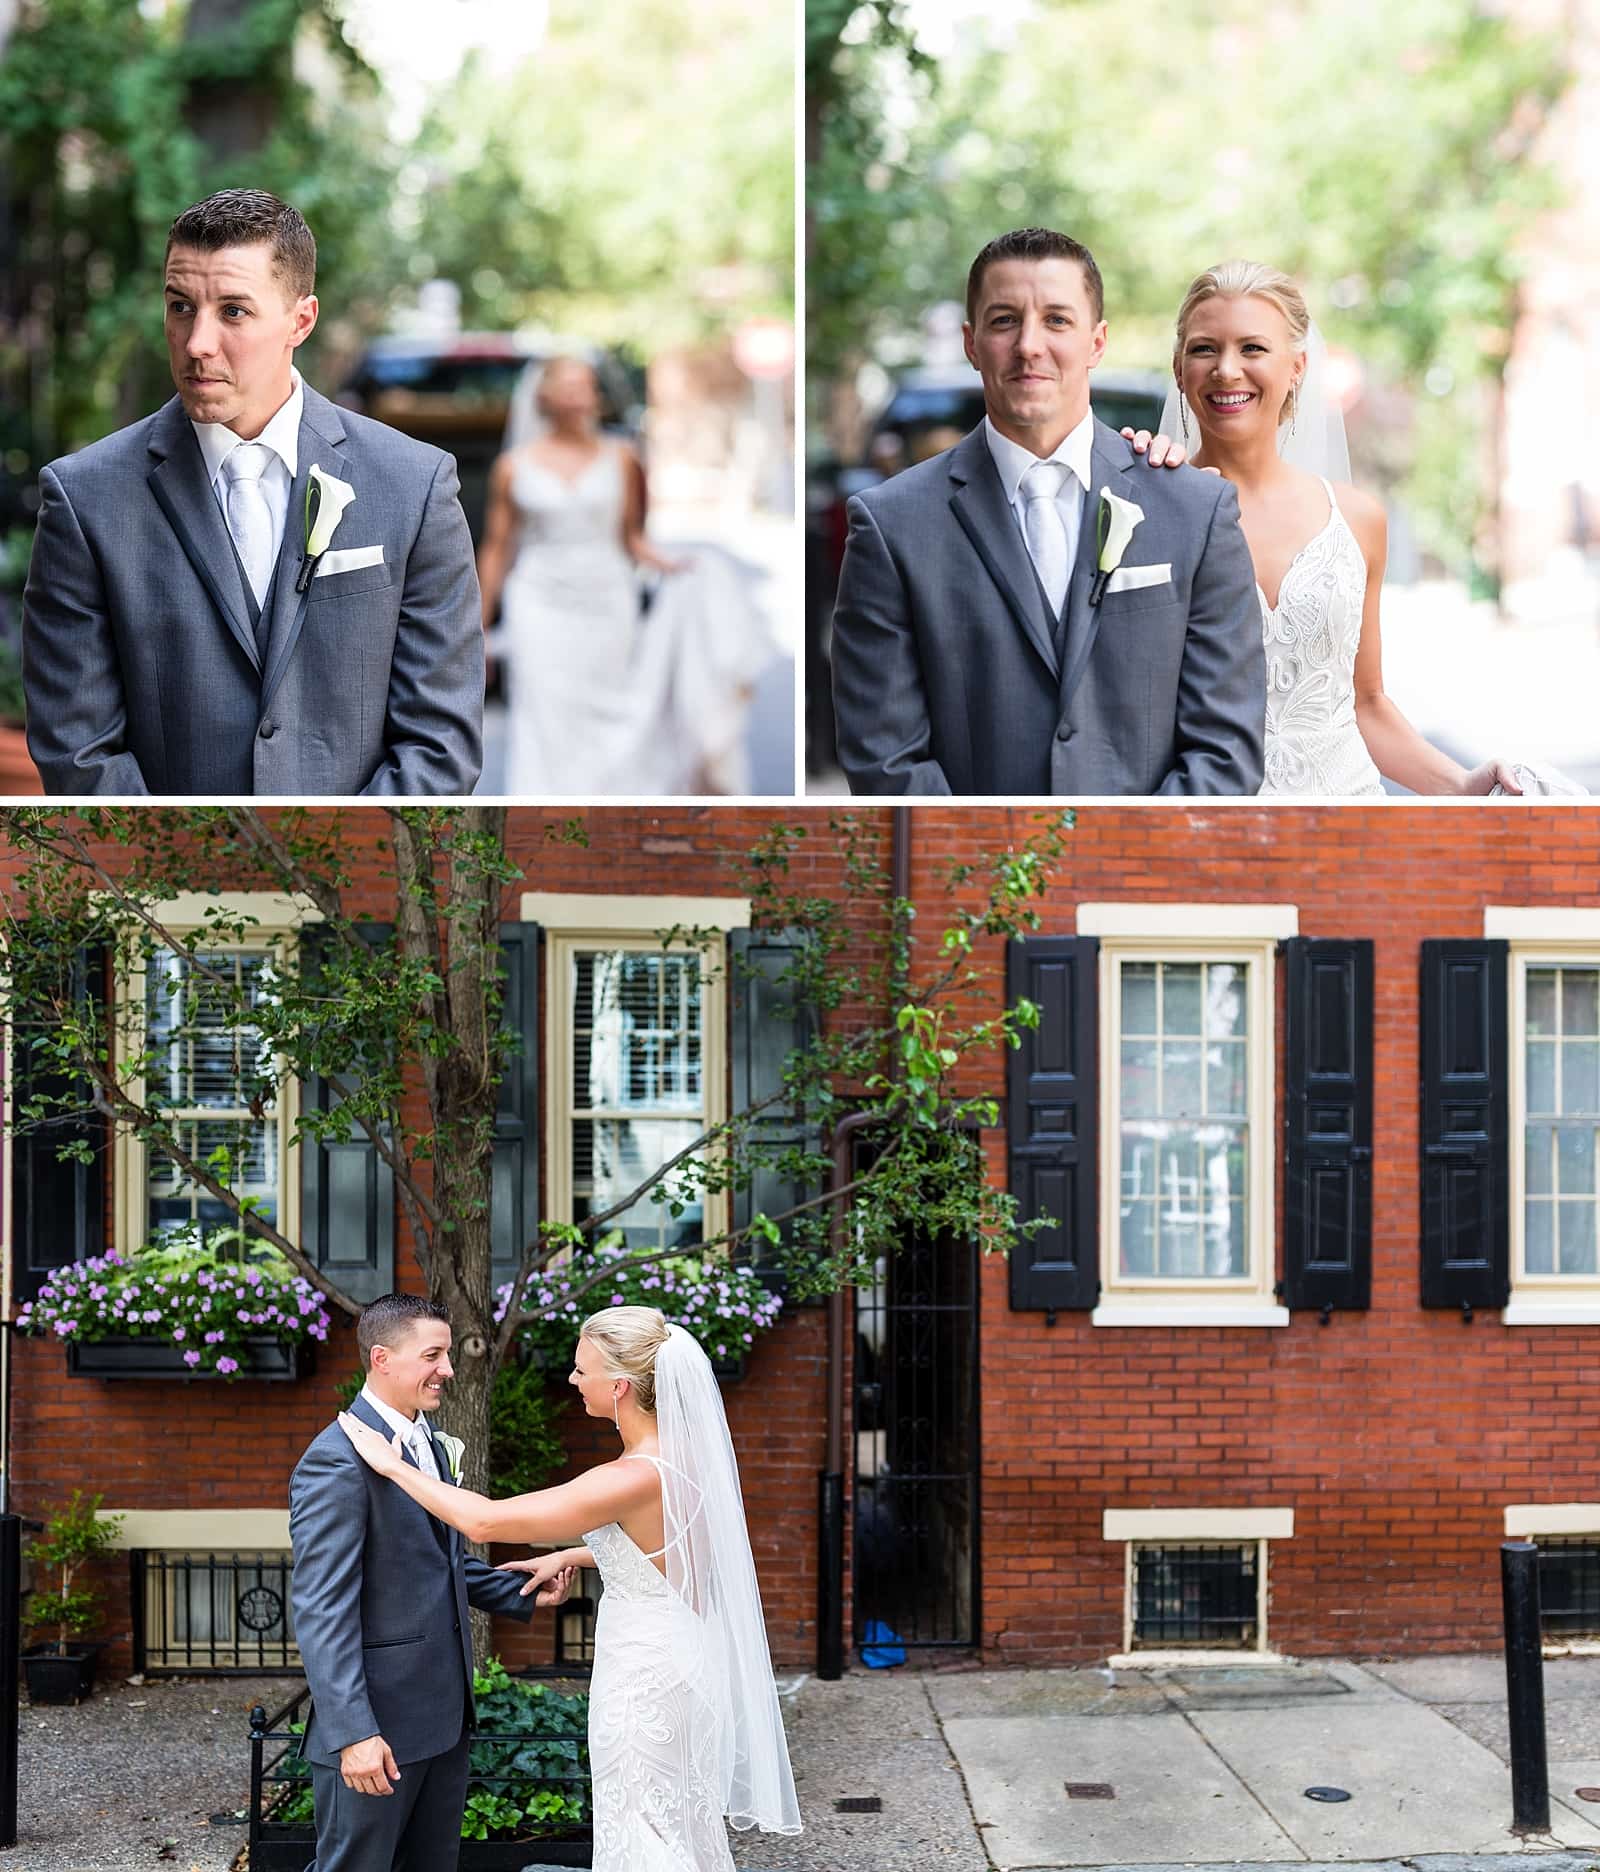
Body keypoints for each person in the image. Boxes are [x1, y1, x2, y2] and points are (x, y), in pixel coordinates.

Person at [22, 189, 484, 797]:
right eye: (181, 306)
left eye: (233, 311)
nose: (196, 343)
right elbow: (80, 751)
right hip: (164, 883)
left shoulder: (414, 485)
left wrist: (336, 876)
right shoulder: (84, 499)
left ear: (302, 320)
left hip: (353, 882)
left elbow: (439, 743)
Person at [337, 1303, 801, 1871]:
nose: (573, 1380)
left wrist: (392, 1465)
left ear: (621, 1387)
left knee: (642, 1829)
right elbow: (673, 1548)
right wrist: (583, 1552)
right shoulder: (677, 1460)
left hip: (645, 1681)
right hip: (682, 1660)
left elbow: (484, 1522)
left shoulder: (629, 1476)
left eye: (583, 1371)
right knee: (673, 1823)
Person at [828, 226, 1265, 796]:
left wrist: (1122, 873)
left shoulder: (1195, 511)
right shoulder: (890, 525)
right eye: (1005, 319)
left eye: (1057, 320)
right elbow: (887, 761)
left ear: (1097, 342)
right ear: (971, 341)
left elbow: (1224, 752)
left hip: (1140, 875)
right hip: (975, 876)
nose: (1029, 344)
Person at [1158, 261, 1520, 798]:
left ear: (1298, 367)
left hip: (1348, 830)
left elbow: (1366, 704)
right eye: (1205, 349)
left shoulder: (1357, 519)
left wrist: (1464, 783)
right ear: (1179, 367)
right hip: (1213, 831)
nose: (1227, 369)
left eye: (1253, 348)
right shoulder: (1148, 510)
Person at [288, 1295, 574, 1872]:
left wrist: (515, 1590)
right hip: (379, 1730)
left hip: (441, 1719)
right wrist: (353, 1733)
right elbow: (322, 1608)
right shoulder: (337, 1461)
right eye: (433, 1355)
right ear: (381, 1358)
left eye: (447, 1354)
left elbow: (434, 1562)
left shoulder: (426, 1440)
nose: (448, 1369)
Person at [476, 357, 686, 794]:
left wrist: (675, 566)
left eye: (587, 386)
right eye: (569, 386)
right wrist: (478, 627)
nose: (580, 395)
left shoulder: (623, 458)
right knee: (543, 712)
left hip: (608, 597)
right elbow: (498, 547)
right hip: (539, 601)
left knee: (608, 710)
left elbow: (632, 537)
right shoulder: (514, 466)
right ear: (544, 397)